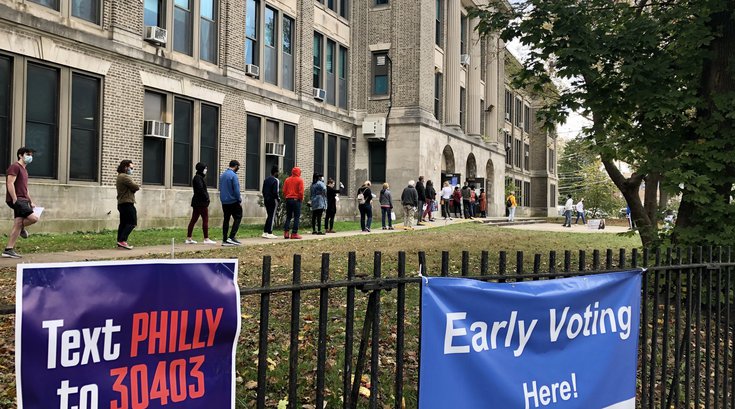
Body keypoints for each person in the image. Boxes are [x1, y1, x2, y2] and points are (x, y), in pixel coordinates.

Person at [3, 147, 39, 259]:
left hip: (23, 199)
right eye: (28, 154)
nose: (30, 157)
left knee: (18, 222)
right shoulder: (15, 167)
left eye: (31, 155)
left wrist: (31, 201)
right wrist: (14, 199)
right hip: (17, 200)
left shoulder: (24, 169)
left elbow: (25, 188)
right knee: (34, 218)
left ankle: (8, 249)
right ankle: (22, 228)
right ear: (20, 155)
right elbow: (10, 183)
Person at [186, 162, 216, 244]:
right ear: (201, 169)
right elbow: (201, 190)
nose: (206, 170)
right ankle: (206, 239)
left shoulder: (198, 177)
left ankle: (189, 238)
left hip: (197, 202)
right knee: (205, 219)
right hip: (201, 203)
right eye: (205, 168)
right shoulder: (198, 178)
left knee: (194, 219)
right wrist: (206, 198)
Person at [116, 159, 140, 250]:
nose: (132, 169)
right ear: (125, 167)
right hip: (127, 203)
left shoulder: (120, 176)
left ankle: (120, 242)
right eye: (131, 168)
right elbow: (136, 187)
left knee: (123, 223)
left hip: (122, 203)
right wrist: (134, 188)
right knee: (132, 222)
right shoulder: (125, 177)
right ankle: (122, 240)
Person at [220, 160, 243, 246]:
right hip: (233, 201)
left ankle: (224, 239)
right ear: (236, 166)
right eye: (238, 167)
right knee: (238, 217)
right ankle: (231, 237)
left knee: (226, 219)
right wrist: (239, 199)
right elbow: (236, 190)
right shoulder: (233, 176)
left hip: (224, 201)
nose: (238, 169)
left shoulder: (222, 175)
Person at [283, 167, 304, 239]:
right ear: (298, 172)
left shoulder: (287, 180)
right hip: (296, 200)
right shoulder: (300, 180)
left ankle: (286, 232)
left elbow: (284, 190)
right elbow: (301, 192)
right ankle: (294, 233)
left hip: (288, 199)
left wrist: (287, 197)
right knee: (296, 217)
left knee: (288, 216)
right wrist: (300, 199)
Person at [261, 165, 280, 239]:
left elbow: (263, 190)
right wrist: (278, 199)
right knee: (272, 216)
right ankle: (270, 232)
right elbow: (276, 192)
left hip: (266, 199)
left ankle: (265, 232)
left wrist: (266, 197)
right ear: (276, 172)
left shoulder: (266, 179)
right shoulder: (276, 180)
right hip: (273, 200)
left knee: (269, 215)